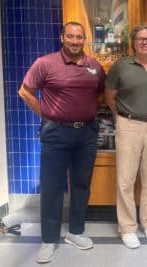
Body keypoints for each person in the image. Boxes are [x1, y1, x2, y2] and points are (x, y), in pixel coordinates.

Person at [18, 22, 105, 263]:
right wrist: (46, 114)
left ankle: (76, 232)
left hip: (86, 134)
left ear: (84, 39)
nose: (75, 41)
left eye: (79, 37)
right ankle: (49, 240)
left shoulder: (94, 66)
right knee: (52, 187)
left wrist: (86, 112)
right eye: (71, 36)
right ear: (62, 37)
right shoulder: (45, 63)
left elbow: (99, 94)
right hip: (55, 134)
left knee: (81, 185)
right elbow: (25, 92)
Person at [105, 24, 147, 249]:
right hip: (128, 124)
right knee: (126, 180)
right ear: (133, 43)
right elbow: (110, 96)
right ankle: (127, 227)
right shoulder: (121, 66)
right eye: (140, 39)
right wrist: (122, 118)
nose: (145, 42)